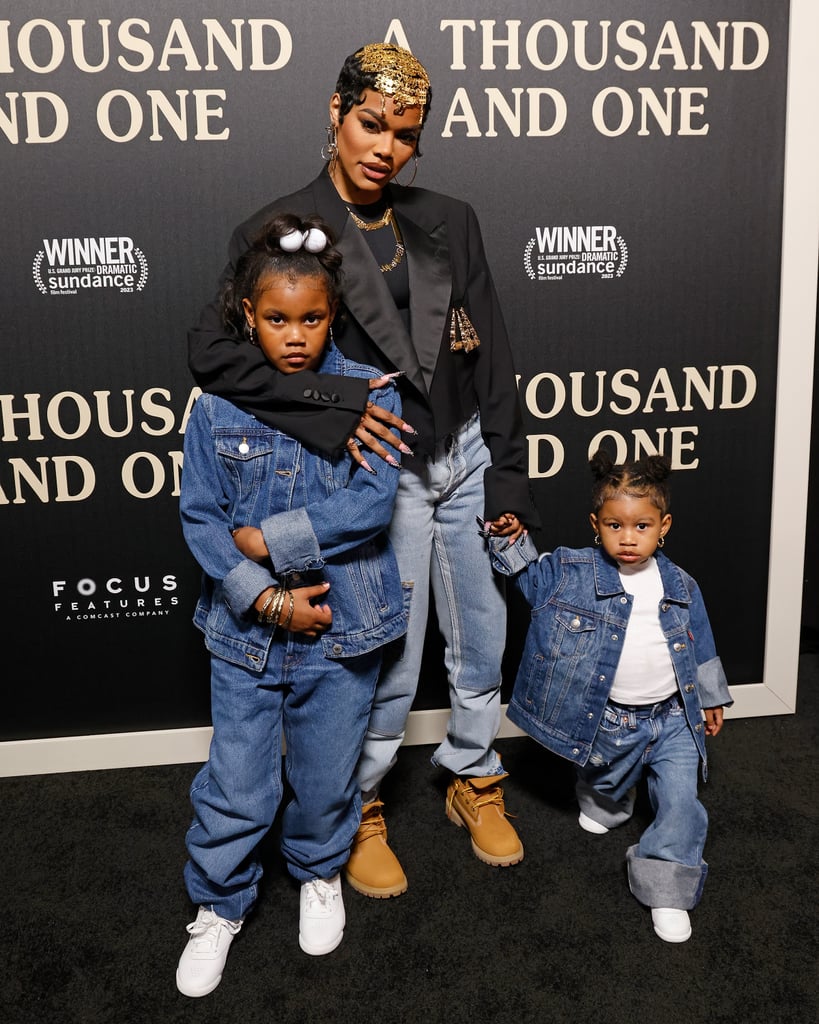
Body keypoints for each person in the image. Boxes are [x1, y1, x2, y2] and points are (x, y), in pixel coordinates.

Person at [188, 42, 537, 898]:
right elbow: (211, 354)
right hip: (379, 474)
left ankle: (473, 775)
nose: (385, 146)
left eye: (405, 134)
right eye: (370, 123)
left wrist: (510, 470)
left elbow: (489, 345)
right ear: (335, 115)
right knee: (383, 655)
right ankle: (360, 805)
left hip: (463, 454)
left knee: (481, 638)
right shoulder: (278, 226)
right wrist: (340, 408)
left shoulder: (449, 217)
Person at [176, 213, 408, 998]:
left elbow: (371, 507)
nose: (296, 335)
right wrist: (266, 598)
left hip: (342, 635)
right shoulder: (214, 407)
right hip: (246, 637)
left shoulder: (372, 399)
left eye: (311, 318)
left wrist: (268, 541)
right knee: (238, 784)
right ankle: (218, 903)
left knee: (324, 777)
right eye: (277, 319)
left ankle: (317, 873)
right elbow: (202, 520)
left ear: (332, 314)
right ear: (248, 316)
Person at [485, 450, 733, 943]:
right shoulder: (570, 572)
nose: (627, 537)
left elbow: (700, 641)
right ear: (595, 524)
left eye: (641, 526)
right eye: (614, 525)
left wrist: (709, 697)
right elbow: (527, 577)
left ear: (663, 526)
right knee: (607, 776)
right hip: (610, 719)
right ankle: (605, 801)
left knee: (682, 802)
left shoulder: (681, 585)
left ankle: (667, 886)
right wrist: (506, 538)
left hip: (673, 718)